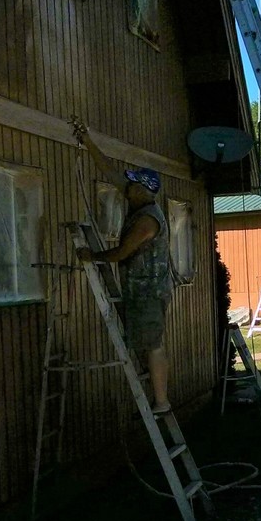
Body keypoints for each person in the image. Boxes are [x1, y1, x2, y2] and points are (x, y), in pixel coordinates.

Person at [71, 121, 173, 415]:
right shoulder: (138, 204)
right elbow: (109, 171)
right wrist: (87, 141)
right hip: (138, 291)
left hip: (149, 292)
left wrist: (92, 256)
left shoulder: (147, 220)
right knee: (148, 342)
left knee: (153, 345)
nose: (128, 188)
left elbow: (122, 252)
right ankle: (159, 397)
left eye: (133, 185)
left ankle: (161, 402)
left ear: (144, 190)